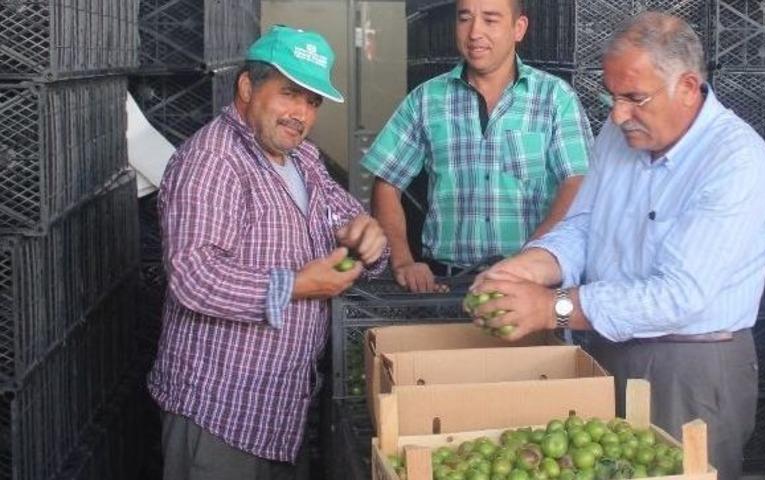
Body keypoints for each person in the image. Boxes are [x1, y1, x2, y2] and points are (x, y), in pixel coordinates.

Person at [467, 12, 765, 480]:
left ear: (689, 87)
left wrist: (550, 308)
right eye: (611, 97)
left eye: (635, 98)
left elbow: (678, 296)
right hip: (609, 345)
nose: (617, 115)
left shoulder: (735, 163)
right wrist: (533, 266)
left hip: (690, 368)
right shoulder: (619, 136)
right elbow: (585, 225)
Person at [148, 26, 388, 480]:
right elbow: (193, 277)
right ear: (246, 87)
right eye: (290, 94)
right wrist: (297, 286)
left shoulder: (304, 161)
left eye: (312, 101)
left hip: (280, 414)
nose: (301, 113)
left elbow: (353, 224)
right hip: (217, 417)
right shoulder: (213, 162)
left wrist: (370, 238)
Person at [361, 0, 592, 292]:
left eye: (491, 20)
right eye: (464, 18)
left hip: (528, 287)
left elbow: (577, 183)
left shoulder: (555, 98)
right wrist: (404, 262)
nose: (474, 32)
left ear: (518, 28)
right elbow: (386, 181)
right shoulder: (427, 100)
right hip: (444, 284)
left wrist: (533, 260)